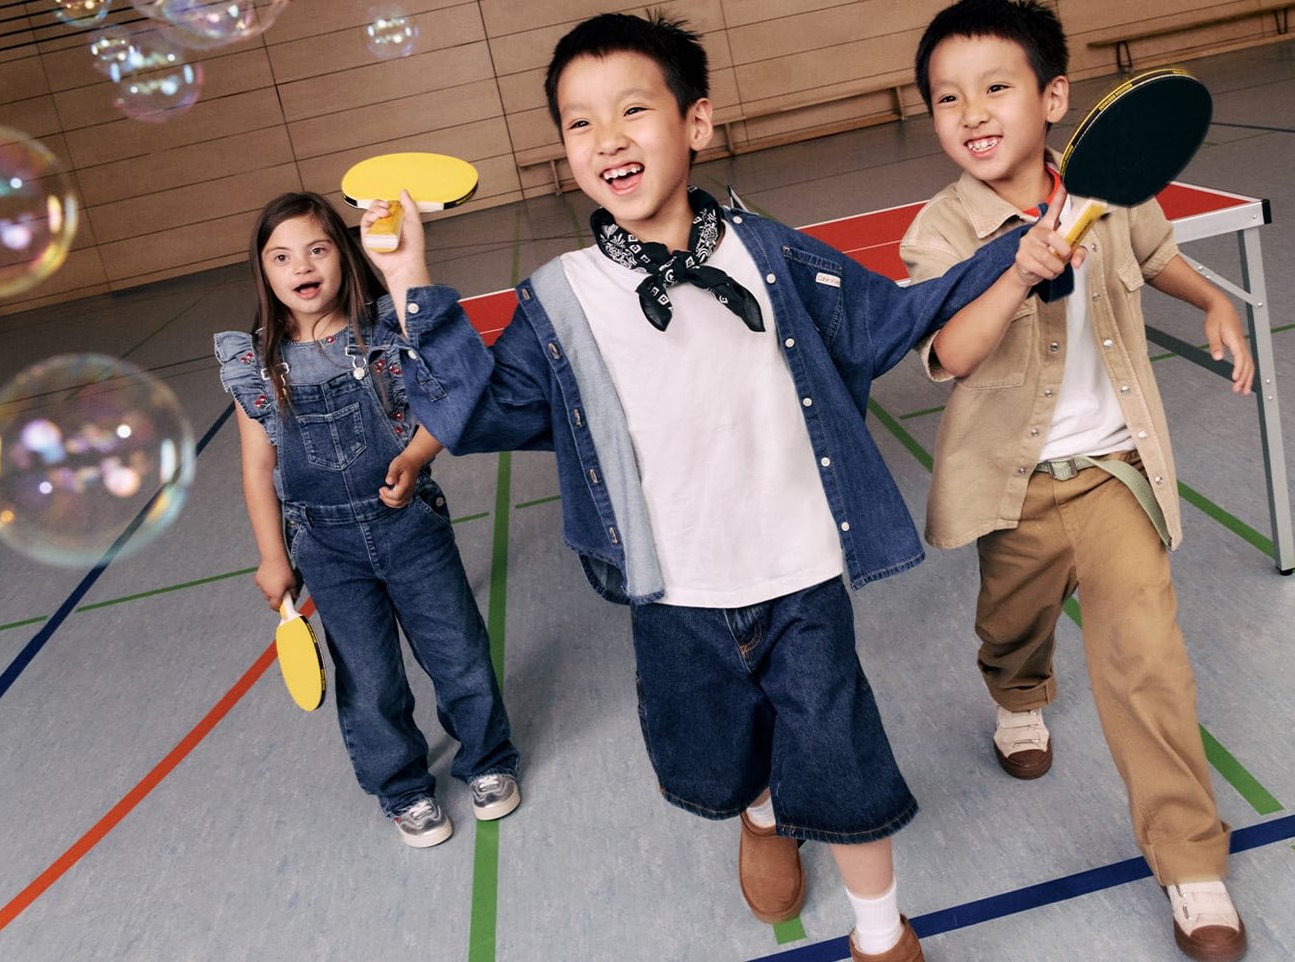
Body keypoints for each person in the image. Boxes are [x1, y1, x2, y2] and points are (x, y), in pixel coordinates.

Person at [368, 13, 1065, 961]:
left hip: (800, 569)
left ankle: (880, 932)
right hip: (675, 592)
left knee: (840, 746)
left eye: (632, 110)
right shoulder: (562, 297)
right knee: (723, 747)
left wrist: (1014, 261)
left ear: (695, 123)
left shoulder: (767, 251)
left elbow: (885, 319)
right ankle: (765, 814)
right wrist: (410, 280)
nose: (607, 139)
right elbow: (479, 412)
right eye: (580, 122)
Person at [899, 2, 1258, 959]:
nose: (972, 112)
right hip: (1009, 486)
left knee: (1146, 655)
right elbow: (952, 354)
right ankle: (1018, 693)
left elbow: (1159, 256)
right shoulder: (940, 229)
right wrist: (1015, 274)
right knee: (1010, 624)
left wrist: (1212, 300)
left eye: (996, 87)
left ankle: (1191, 863)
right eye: (948, 98)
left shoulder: (1116, 190)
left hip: (1111, 473)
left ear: (1054, 98)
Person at [214, 191, 521, 849]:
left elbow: (441, 404)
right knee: (369, 678)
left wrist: (414, 457)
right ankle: (403, 789)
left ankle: (487, 759)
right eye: (282, 256)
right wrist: (273, 556)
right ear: (262, 271)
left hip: (410, 527)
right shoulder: (257, 366)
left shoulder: (381, 332)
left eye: (318, 249)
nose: (303, 266)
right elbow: (256, 467)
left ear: (345, 255)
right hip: (324, 546)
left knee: (458, 651)